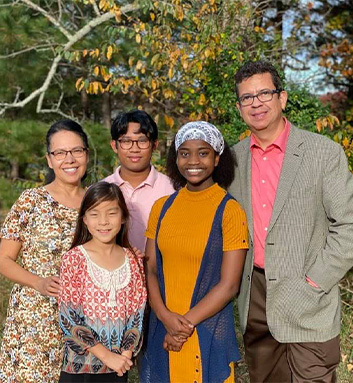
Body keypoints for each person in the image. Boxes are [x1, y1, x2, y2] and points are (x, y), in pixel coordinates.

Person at [229, 60, 353, 382]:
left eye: (264, 93)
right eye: (246, 97)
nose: (256, 103)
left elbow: (349, 225)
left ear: (282, 98)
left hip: (310, 299)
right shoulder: (232, 160)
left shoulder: (323, 153)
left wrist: (315, 280)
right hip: (255, 297)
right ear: (239, 106)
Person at [141, 121, 248, 383]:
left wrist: (181, 327)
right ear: (176, 158)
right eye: (185, 153)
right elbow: (150, 267)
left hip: (206, 328)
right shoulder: (161, 208)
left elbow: (229, 285)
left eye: (203, 152)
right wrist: (165, 318)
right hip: (162, 327)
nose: (193, 161)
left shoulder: (230, 211)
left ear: (217, 158)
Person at [0, 120, 89, 383]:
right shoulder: (31, 201)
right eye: (60, 153)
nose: (69, 159)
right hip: (33, 325)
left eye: (77, 151)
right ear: (49, 160)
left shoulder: (98, 202)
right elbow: (4, 259)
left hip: (83, 325)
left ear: (86, 154)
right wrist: (38, 282)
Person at [58, 182, 147, 383]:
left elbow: (137, 312)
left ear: (123, 216)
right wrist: (107, 356)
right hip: (80, 369)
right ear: (84, 220)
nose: (104, 221)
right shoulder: (74, 259)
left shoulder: (133, 259)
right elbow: (69, 317)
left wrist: (125, 355)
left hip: (118, 369)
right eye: (95, 214)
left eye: (111, 213)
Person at [103, 110, 174, 252]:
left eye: (142, 141)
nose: (134, 149)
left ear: (154, 145)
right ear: (114, 145)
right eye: (126, 141)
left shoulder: (172, 189)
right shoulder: (100, 190)